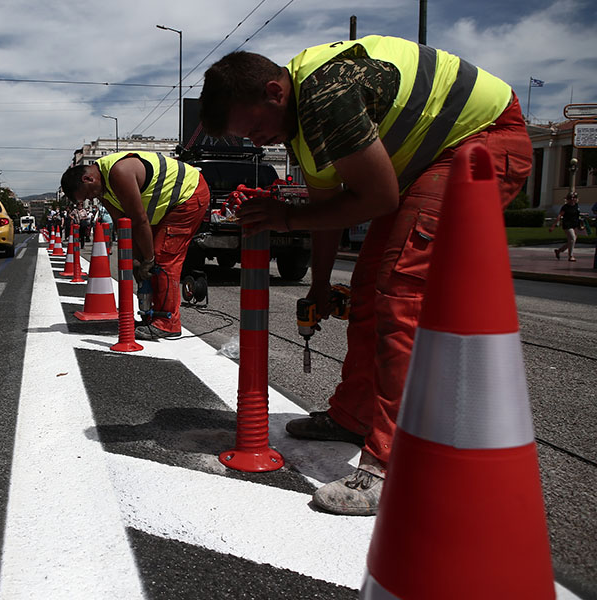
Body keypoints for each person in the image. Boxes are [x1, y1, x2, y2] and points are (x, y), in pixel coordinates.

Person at [199, 35, 532, 515]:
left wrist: (284, 219)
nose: (256, 142)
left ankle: (389, 464)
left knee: (401, 292)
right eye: (245, 138)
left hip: (484, 141)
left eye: (253, 128)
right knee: (365, 291)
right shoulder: (298, 126)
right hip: (426, 163)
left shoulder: (327, 97)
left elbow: (377, 200)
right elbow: (329, 211)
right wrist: (316, 288)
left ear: (275, 92)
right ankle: (353, 417)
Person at [60, 152, 210, 340]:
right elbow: (123, 223)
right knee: (151, 261)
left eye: (89, 193)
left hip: (188, 195)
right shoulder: (102, 187)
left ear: (88, 178)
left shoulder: (119, 172)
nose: (93, 197)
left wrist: (148, 259)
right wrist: (136, 259)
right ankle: (152, 316)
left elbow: (139, 220)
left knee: (163, 259)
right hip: (166, 207)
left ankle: (168, 323)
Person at [551, 192, 585, 261]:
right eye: (570, 198)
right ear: (567, 199)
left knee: (572, 241)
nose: (572, 199)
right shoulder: (565, 207)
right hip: (567, 225)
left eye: (574, 197)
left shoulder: (576, 206)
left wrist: (581, 223)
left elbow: (577, 215)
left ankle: (559, 251)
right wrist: (553, 226)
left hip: (575, 225)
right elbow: (559, 216)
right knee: (572, 238)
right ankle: (571, 256)